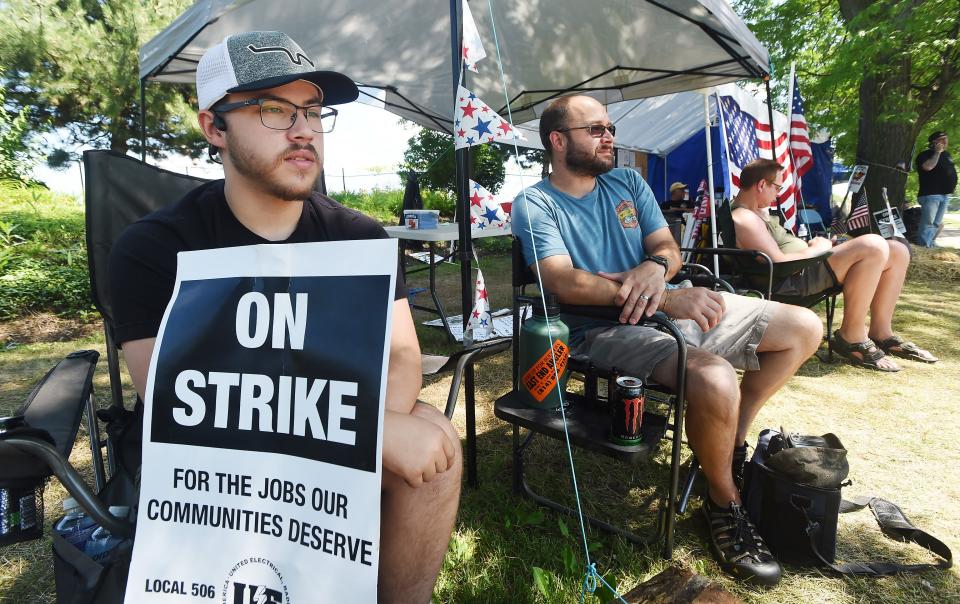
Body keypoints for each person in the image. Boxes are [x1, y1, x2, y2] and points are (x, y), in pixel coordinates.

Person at [108, 31, 460, 603]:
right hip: (214, 464)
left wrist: (359, 432)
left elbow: (400, 358)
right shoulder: (156, 249)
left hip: (326, 425)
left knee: (437, 443)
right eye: (274, 110)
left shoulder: (359, 237)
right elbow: (168, 397)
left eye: (313, 112)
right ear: (213, 128)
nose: (304, 130)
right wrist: (363, 435)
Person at [512, 95, 824, 586]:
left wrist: (654, 270)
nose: (609, 136)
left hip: (673, 300)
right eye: (595, 129)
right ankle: (723, 504)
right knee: (715, 376)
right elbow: (564, 283)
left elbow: (666, 248)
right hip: (597, 328)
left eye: (609, 127)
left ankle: (730, 442)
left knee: (804, 328)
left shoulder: (627, 181)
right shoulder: (535, 203)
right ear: (557, 140)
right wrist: (660, 300)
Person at [731, 158, 938, 371]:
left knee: (898, 251)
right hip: (791, 281)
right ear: (762, 184)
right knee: (873, 245)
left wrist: (816, 247)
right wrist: (816, 248)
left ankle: (881, 331)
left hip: (807, 268)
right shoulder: (743, 218)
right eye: (777, 187)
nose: (778, 193)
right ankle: (851, 335)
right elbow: (778, 263)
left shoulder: (757, 213)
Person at [914, 131, 956, 247]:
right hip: (931, 194)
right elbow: (928, 167)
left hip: (945, 195)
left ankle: (930, 243)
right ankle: (924, 245)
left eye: (946, 139)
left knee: (936, 223)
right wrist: (937, 153)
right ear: (934, 142)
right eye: (942, 139)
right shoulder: (925, 155)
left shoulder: (947, 155)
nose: (945, 142)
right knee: (928, 222)